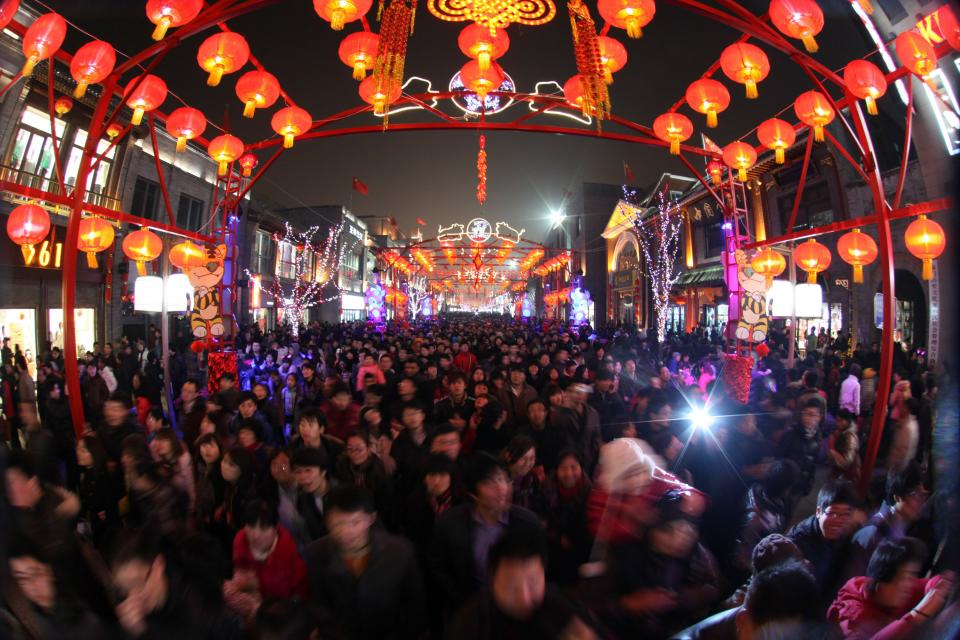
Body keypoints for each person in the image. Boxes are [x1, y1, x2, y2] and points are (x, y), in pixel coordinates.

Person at [428, 453, 544, 616]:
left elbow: (541, 569)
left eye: (504, 479)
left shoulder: (528, 523)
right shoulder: (450, 523)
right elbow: (438, 566)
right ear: (473, 493)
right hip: (469, 608)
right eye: (490, 482)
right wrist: (460, 600)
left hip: (517, 608)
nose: (502, 488)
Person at [305, 485, 425, 639]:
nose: (346, 531)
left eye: (355, 522)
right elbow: (320, 607)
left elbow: (415, 607)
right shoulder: (316, 554)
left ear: (371, 518)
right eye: (338, 523)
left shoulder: (399, 552)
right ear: (327, 521)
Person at [446, 530, 598, 640]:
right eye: (511, 587)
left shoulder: (563, 613)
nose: (524, 598)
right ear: (492, 580)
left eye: (533, 583)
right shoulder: (469, 625)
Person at [109, 529, 242, 637]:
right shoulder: (126, 605)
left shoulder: (198, 603)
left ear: (158, 566)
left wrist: (143, 634)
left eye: (137, 584)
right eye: (124, 588)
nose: (132, 596)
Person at [828, 538, 953, 639]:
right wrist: (917, 614)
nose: (911, 584)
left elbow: (931, 584)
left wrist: (939, 586)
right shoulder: (851, 615)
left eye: (913, 575)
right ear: (880, 585)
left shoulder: (894, 590)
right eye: (905, 577)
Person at [846, 462, 928, 580]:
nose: (920, 502)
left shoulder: (898, 528)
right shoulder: (873, 533)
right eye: (915, 494)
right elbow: (852, 582)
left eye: (923, 495)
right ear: (897, 497)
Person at [787, 480, 864, 601]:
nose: (838, 520)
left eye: (845, 514)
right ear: (818, 512)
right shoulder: (798, 542)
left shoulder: (848, 533)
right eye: (832, 512)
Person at [230, 499, 308, 602]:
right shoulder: (241, 540)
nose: (255, 535)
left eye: (264, 528)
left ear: (275, 528)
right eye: (251, 526)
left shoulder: (287, 553)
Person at [75, 434, 120, 547]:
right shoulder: (84, 474)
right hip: (94, 530)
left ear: (94, 454)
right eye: (77, 448)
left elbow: (112, 509)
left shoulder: (105, 478)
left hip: (109, 534)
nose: (78, 452)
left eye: (83, 450)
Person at [292, 446, 333, 541]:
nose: (303, 477)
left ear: (323, 471)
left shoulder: (340, 494)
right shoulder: (302, 497)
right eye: (298, 471)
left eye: (308, 470)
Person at [175, 379, 206, 446]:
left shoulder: (202, 410)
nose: (185, 394)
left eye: (189, 392)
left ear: (196, 394)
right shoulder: (178, 406)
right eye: (184, 390)